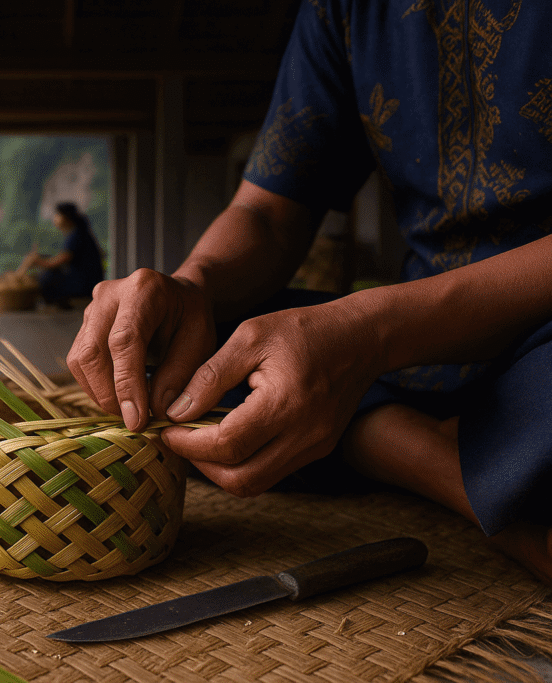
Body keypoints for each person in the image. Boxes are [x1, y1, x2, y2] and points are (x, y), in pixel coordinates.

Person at [67, 0, 552, 586]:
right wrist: (193, 285)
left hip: (520, 330)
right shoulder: (340, 8)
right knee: (192, 352)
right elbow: (267, 213)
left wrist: (372, 331)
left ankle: (400, 445)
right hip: (417, 344)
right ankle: (458, 464)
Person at [20, 202, 104, 308]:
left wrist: (36, 261)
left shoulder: (76, 236)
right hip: (86, 281)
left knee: (47, 278)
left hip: (85, 284)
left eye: (57, 215)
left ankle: (57, 305)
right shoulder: (77, 233)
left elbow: (58, 262)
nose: (54, 218)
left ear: (65, 217)